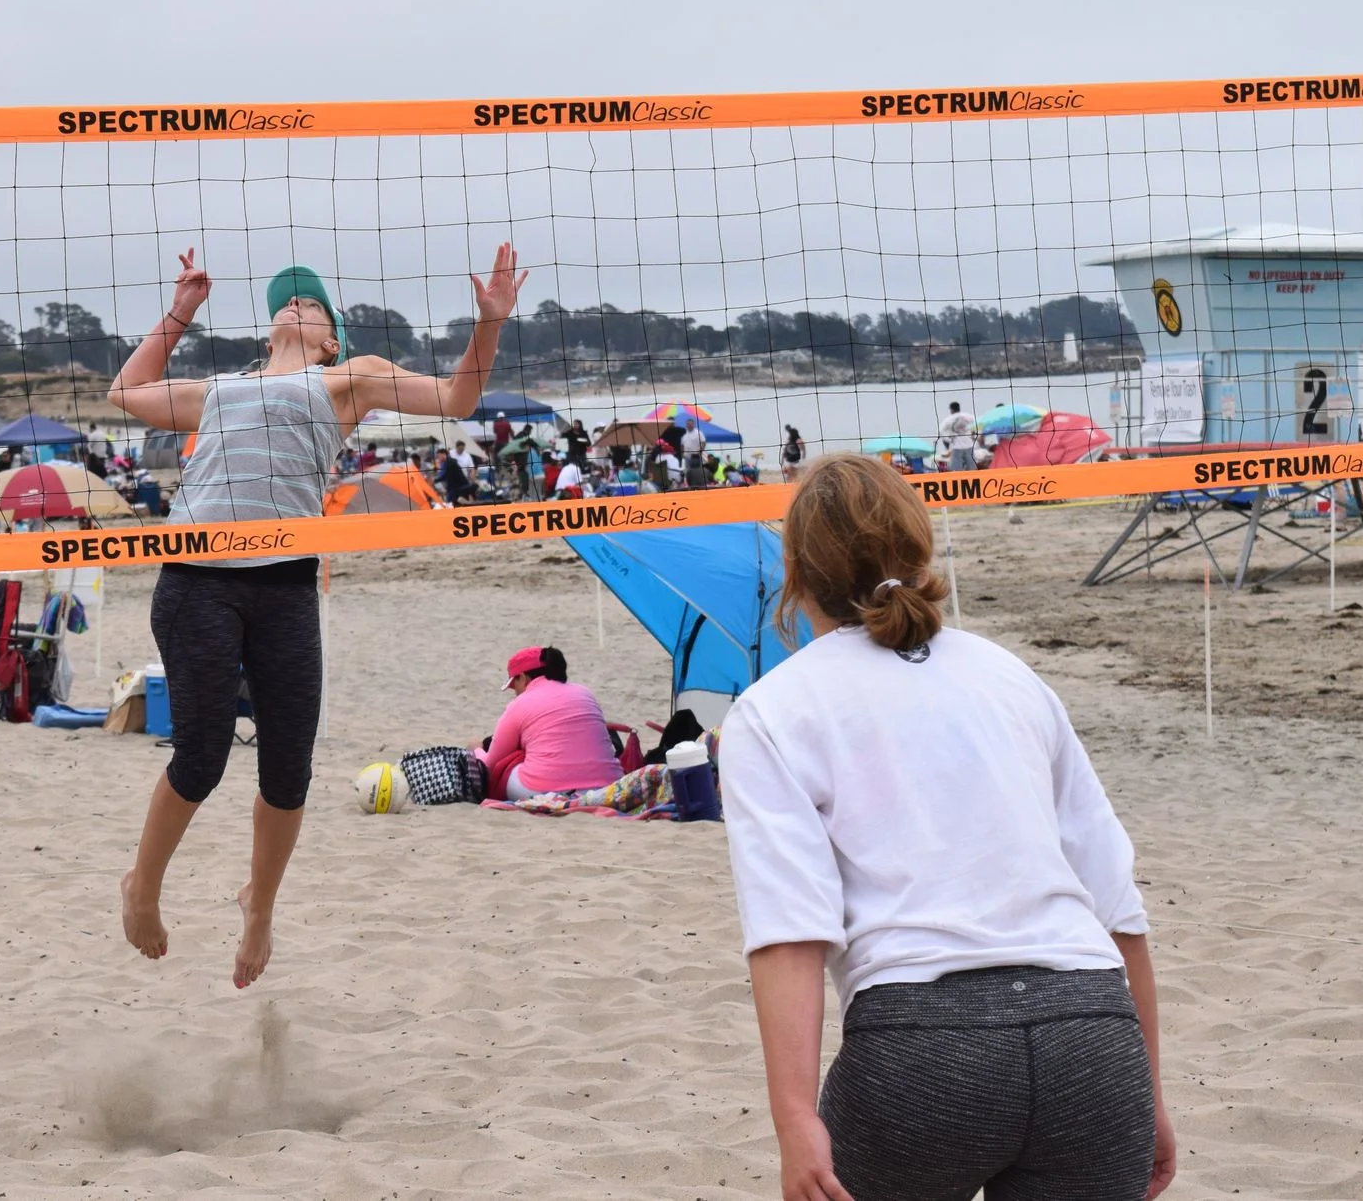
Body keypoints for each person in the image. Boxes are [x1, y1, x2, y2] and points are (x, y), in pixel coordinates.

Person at [721, 454, 1173, 1201]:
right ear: (918, 545)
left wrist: (794, 1116)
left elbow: (790, 933)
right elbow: (1118, 907)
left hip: (922, 1052)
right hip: (1094, 1038)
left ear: (795, 570)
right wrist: (1146, 1089)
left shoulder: (773, 711)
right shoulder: (1010, 675)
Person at [110, 246, 527, 989]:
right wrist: (182, 311)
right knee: (201, 758)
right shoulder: (217, 390)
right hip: (197, 578)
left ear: (331, 336)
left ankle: (259, 905)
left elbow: (459, 399)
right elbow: (125, 390)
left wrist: (488, 326)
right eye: (286, 300)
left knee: (288, 770)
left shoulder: (347, 378)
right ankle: (142, 883)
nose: (297, 304)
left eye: (313, 304)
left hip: (285, 582)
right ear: (270, 326)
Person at [477, 647, 621, 800]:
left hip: (543, 789)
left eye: (515, 684)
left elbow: (490, 764)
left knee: (510, 762)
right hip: (607, 786)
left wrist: (477, 750)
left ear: (523, 677)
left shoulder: (520, 703)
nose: (515, 692)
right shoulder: (584, 692)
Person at [939, 402, 976, 472]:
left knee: (957, 469)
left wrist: (949, 440)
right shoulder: (969, 416)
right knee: (972, 468)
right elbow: (977, 426)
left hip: (956, 447)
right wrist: (973, 436)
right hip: (969, 445)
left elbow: (941, 431)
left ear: (951, 410)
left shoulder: (948, 419)